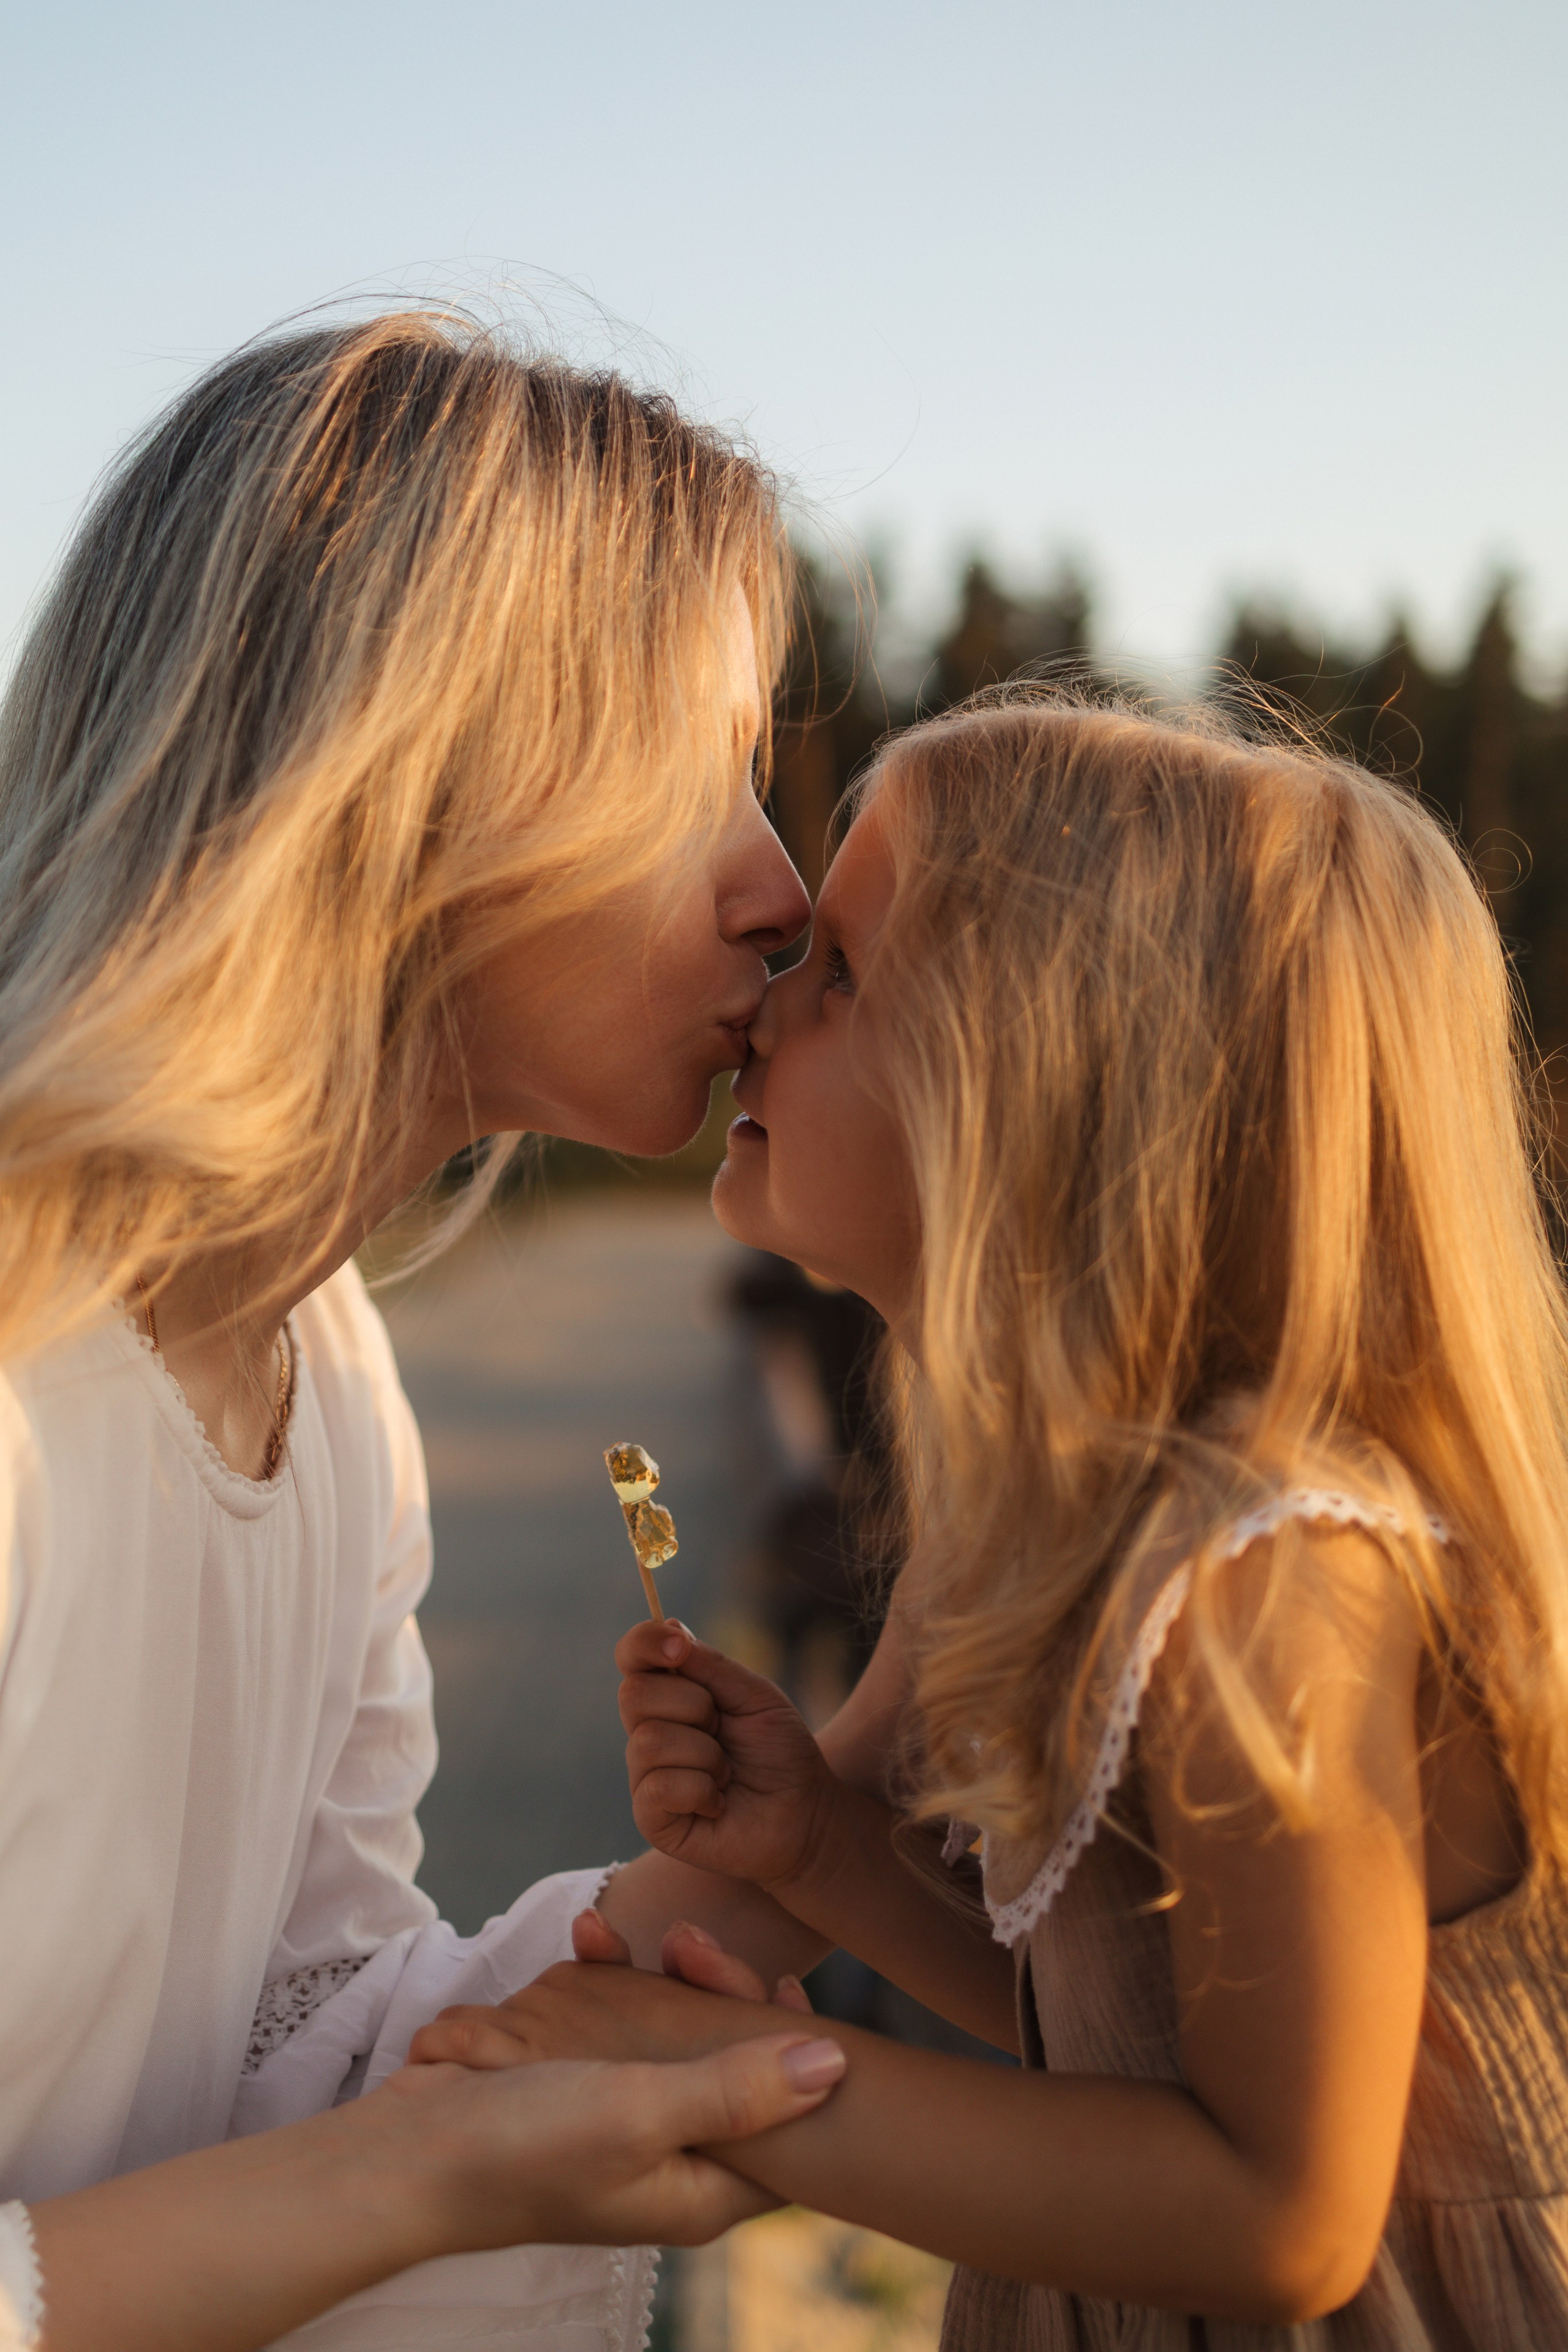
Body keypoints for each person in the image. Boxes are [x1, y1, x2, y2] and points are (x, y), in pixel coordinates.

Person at [416, 690, 1568, 2346]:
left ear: (1038, 1103)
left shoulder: (1264, 1573)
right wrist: (818, 1843)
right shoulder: (1035, 1527)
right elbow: (1111, 2038)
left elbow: (1283, 2212)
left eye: (843, 974)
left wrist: (723, 2087)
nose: (764, 1006)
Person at [0, 307, 862, 2352]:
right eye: (699, 772)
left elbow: (286, 2061)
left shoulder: (335, 1387)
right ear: (401, 760)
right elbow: (355, 2167)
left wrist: (846, 1803)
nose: (788, 891)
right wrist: (422, 2172)